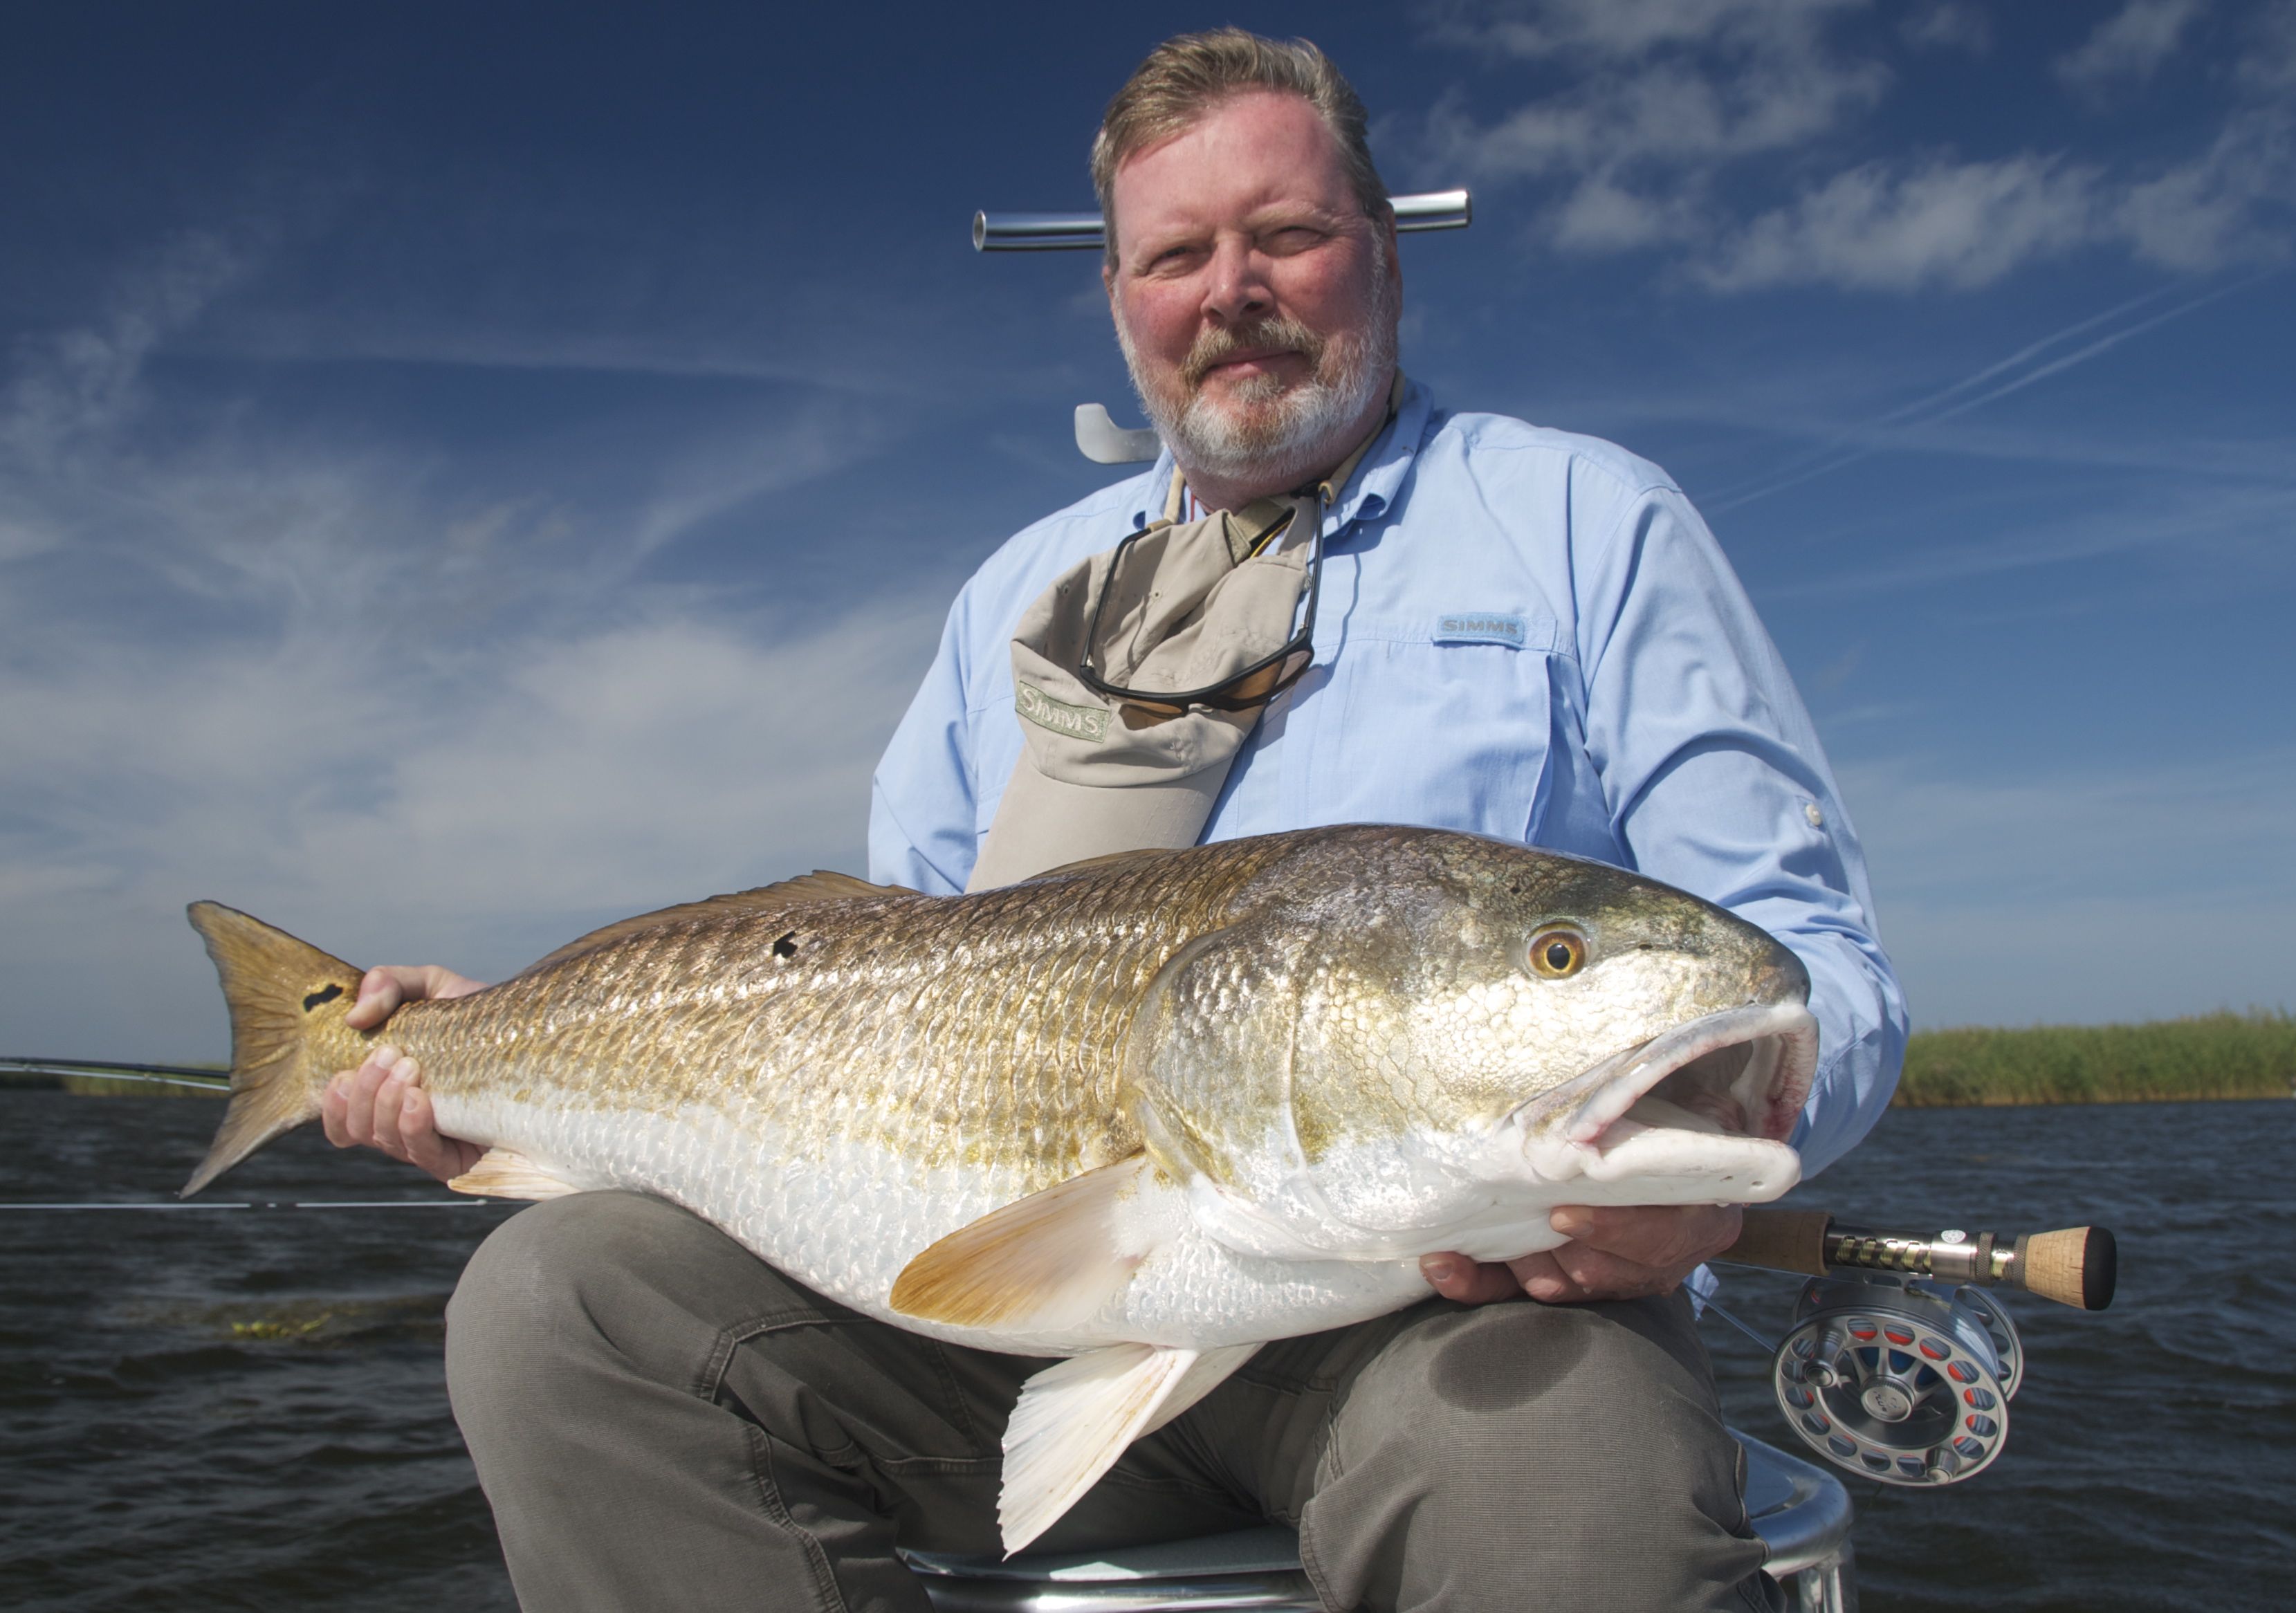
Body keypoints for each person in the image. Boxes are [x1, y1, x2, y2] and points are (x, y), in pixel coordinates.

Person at [324, 29, 1904, 1613]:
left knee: (1571, 1491)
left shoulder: (1582, 521)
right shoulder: (1015, 592)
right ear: (1119, 298)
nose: (1231, 289)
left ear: (1385, 256)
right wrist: (508, 1056)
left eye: (1286, 233)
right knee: (552, 1301)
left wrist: (1720, 1161)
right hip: (999, 1302)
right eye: (1175, 254)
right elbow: (873, 970)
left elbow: (1808, 962)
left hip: (1465, 1307)